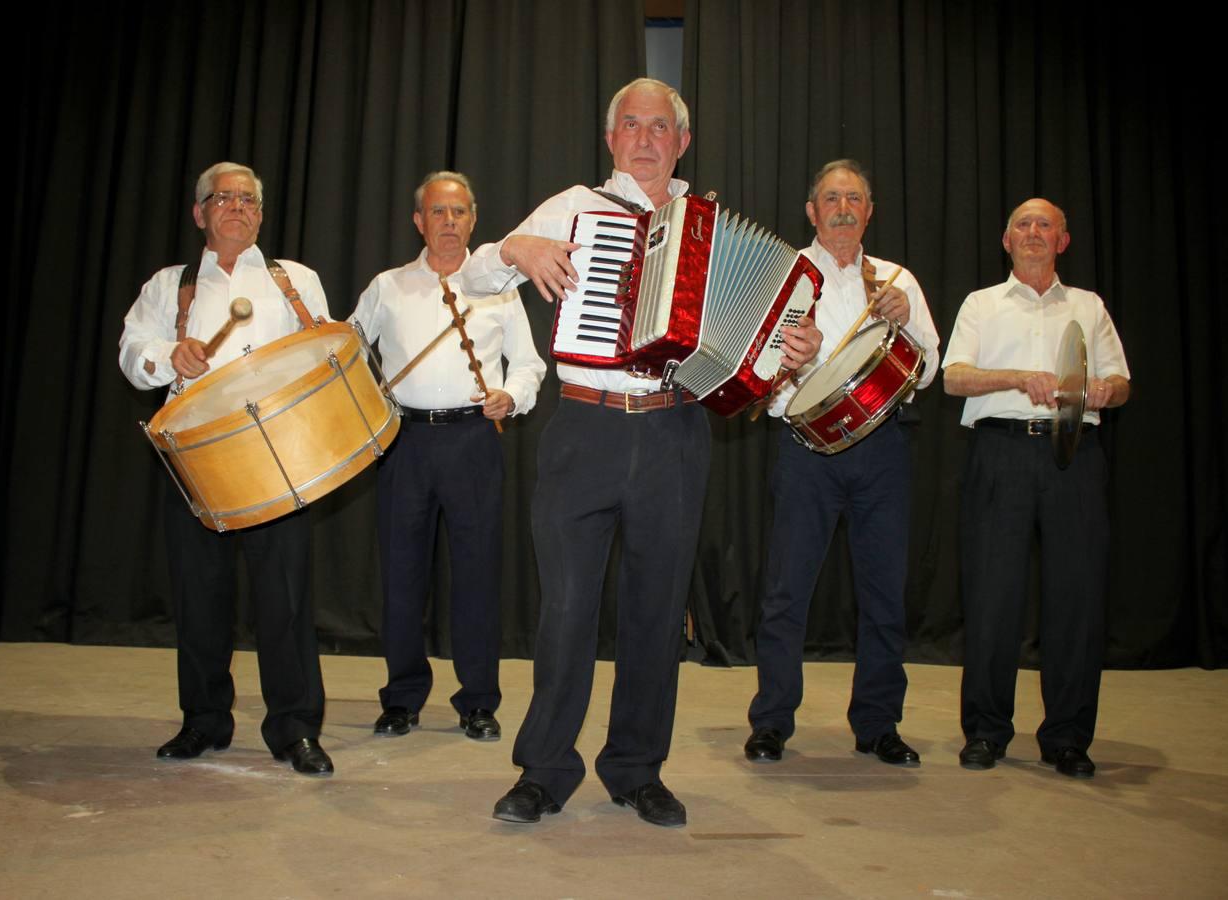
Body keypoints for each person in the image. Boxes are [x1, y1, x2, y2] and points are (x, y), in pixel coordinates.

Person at [459, 78, 822, 827]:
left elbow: (755, 359)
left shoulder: (711, 226)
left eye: (661, 127)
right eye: (632, 124)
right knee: (565, 608)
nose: (647, 138)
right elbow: (469, 275)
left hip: (675, 432)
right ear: (611, 137)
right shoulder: (573, 206)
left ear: (682, 142)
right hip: (584, 429)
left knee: (658, 610)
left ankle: (636, 768)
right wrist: (511, 247)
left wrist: (796, 350)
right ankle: (544, 770)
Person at [119, 162, 334, 776]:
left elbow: (322, 354)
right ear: (200, 213)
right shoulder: (171, 286)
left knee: (285, 600)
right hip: (196, 459)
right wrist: (169, 354)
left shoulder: (295, 281)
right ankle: (203, 720)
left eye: (248, 199)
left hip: (277, 455)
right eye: (223, 198)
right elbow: (133, 354)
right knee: (199, 595)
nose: (237, 207)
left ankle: (295, 728)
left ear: (261, 214)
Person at [745, 159, 940, 770]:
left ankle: (878, 724)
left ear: (869, 210)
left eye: (854, 197)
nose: (843, 207)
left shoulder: (897, 281)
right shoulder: (781, 274)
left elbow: (929, 369)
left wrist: (907, 321)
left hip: (882, 450)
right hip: (805, 451)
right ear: (812, 210)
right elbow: (753, 375)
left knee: (884, 593)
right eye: (831, 197)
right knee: (786, 591)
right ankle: (772, 721)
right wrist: (789, 369)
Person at [350, 171, 545, 743]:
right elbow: (347, 348)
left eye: (459, 212)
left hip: (472, 443)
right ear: (419, 222)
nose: (450, 223)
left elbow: (530, 363)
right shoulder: (387, 287)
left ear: (474, 219)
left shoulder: (499, 289)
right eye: (438, 212)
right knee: (402, 576)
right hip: (403, 444)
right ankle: (403, 698)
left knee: (478, 576)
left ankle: (479, 701)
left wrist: (514, 396)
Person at [942, 198, 1130, 778]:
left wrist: (1103, 391)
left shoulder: (1089, 307)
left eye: (1044, 225)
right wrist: (1020, 379)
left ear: (1062, 241)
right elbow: (954, 377)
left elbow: (1123, 382)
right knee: (993, 595)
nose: (1032, 233)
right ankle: (987, 732)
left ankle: (1068, 737)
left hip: (1075, 454)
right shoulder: (981, 304)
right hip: (1000, 451)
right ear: (1006, 240)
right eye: (1022, 224)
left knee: (1076, 598)